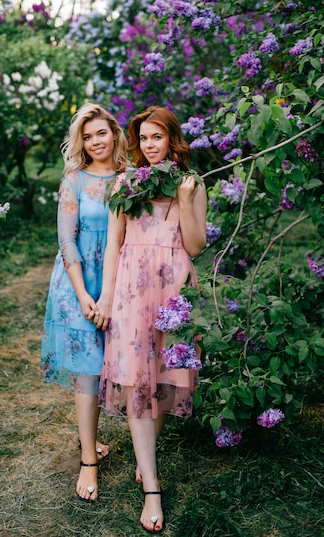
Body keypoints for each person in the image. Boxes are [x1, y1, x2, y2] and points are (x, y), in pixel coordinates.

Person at [94, 106, 207, 533]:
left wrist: (183, 199)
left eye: (157, 137)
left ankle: (146, 456)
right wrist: (106, 297)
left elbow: (195, 246)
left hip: (174, 291)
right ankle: (152, 487)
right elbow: (113, 245)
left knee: (163, 376)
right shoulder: (126, 183)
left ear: (172, 139)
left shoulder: (191, 185)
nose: (149, 145)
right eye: (143, 138)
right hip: (130, 290)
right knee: (136, 380)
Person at [40, 103, 128, 502]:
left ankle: (100, 444)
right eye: (87, 136)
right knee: (87, 373)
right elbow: (66, 240)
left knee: (114, 362)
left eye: (101, 134)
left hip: (120, 280)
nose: (95, 142)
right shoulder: (73, 181)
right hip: (78, 282)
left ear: (114, 134)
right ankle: (88, 460)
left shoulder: (131, 179)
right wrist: (84, 297)